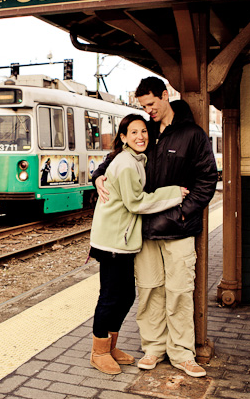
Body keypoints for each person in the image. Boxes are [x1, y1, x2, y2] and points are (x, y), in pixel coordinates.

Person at [93, 77, 218, 378]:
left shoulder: (193, 134)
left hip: (179, 229)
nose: (148, 111)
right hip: (144, 232)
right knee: (149, 292)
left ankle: (183, 354)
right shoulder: (145, 130)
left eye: (151, 104)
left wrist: (183, 214)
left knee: (179, 292)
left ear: (165, 96)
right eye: (143, 107)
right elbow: (116, 157)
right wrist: (97, 175)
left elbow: (207, 181)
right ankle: (153, 348)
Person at [88, 114, 188, 376]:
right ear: (123, 138)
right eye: (133, 132)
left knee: (125, 296)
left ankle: (110, 346)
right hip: (112, 240)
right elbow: (137, 203)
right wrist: (175, 193)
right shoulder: (127, 163)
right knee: (110, 297)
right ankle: (98, 352)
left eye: (143, 131)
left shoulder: (134, 159)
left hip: (121, 239)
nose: (140, 136)